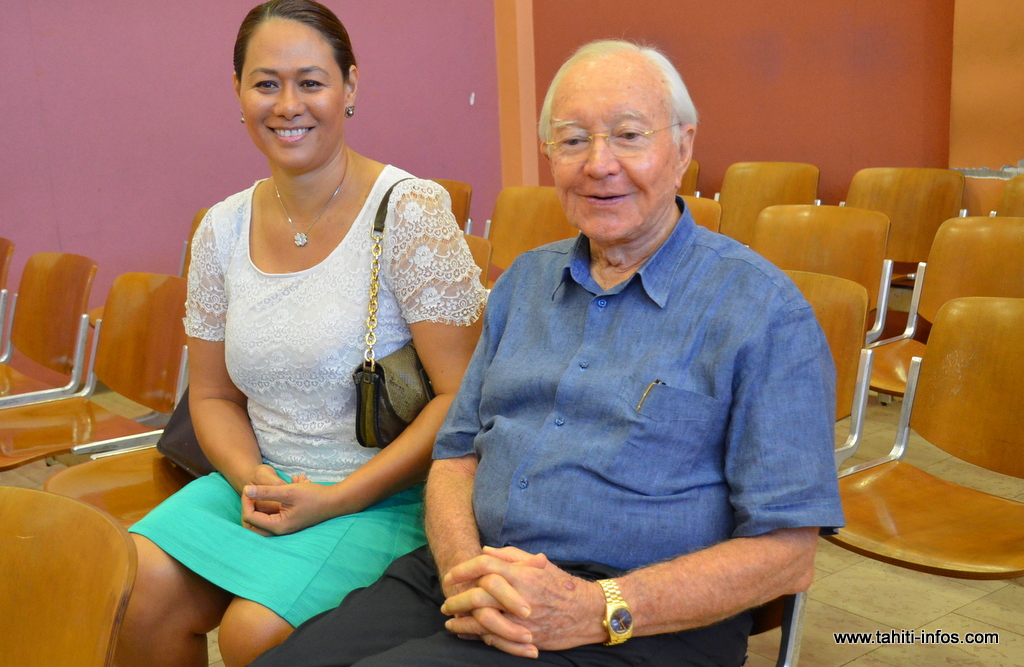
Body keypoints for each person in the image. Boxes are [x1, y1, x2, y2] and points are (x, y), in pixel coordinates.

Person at [250, 39, 844, 667]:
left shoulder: (763, 314)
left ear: (683, 148)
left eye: (628, 136)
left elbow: (787, 551)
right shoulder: (524, 284)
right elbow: (455, 455)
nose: (599, 164)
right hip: (471, 573)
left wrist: (594, 608)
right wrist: (465, 573)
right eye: (572, 140)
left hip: (635, 620)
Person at [117, 0, 486, 667]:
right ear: (238, 93)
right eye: (266, 83)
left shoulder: (411, 212)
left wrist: (334, 498)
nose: (288, 103)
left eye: (311, 81)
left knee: (252, 631)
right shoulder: (220, 229)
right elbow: (213, 397)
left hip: (383, 494)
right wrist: (251, 477)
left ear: (349, 87)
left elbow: (461, 397)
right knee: (132, 583)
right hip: (257, 483)